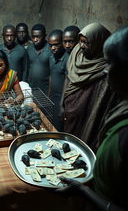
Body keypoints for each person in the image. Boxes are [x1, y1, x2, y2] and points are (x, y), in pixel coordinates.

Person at [58, 26, 128, 211]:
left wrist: (84, 191)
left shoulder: (124, 132)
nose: (106, 71)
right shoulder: (121, 114)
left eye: (111, 64)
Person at [63, 22, 117, 150]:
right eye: (80, 41)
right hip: (71, 110)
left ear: (99, 42)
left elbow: (104, 97)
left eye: (86, 42)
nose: (81, 46)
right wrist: (63, 102)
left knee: (84, 143)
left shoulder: (105, 65)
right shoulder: (76, 54)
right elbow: (68, 77)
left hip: (89, 113)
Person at [48, 29, 69, 131]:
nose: (53, 48)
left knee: (59, 127)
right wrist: (48, 96)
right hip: (53, 98)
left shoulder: (67, 59)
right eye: (50, 45)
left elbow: (67, 81)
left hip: (62, 100)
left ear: (62, 43)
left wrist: (62, 105)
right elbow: (51, 77)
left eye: (56, 44)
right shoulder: (51, 57)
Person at [26, 23, 51, 95]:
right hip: (31, 88)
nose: (35, 39)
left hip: (45, 89)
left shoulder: (50, 49)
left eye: (38, 37)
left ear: (44, 36)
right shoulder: (29, 48)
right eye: (33, 37)